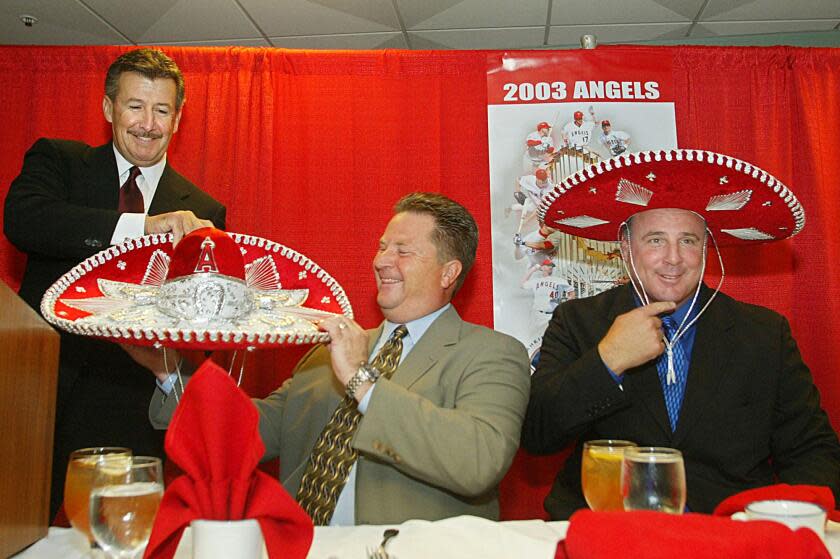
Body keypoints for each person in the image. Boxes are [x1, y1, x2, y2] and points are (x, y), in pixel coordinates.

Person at [149, 192, 531, 525]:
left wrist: (362, 383)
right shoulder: (329, 353)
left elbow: (478, 461)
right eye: (382, 246)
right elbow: (246, 432)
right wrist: (168, 373)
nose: (381, 261)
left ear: (449, 272)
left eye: (402, 251)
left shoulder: (492, 354)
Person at [521, 149, 840, 519]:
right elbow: (537, 434)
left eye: (688, 240)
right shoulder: (578, 321)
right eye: (655, 240)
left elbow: (812, 452)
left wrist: (787, 520)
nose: (673, 258)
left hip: (726, 533)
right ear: (626, 247)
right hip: (609, 529)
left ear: (706, 248)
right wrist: (608, 359)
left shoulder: (765, 334)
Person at [3, 47, 225, 519]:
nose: (148, 123)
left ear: (178, 118)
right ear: (108, 109)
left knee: (120, 540)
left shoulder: (205, 212)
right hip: (37, 394)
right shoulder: (60, 162)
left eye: (161, 110)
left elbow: (203, 327)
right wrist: (140, 226)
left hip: (133, 409)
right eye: (135, 106)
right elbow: (25, 220)